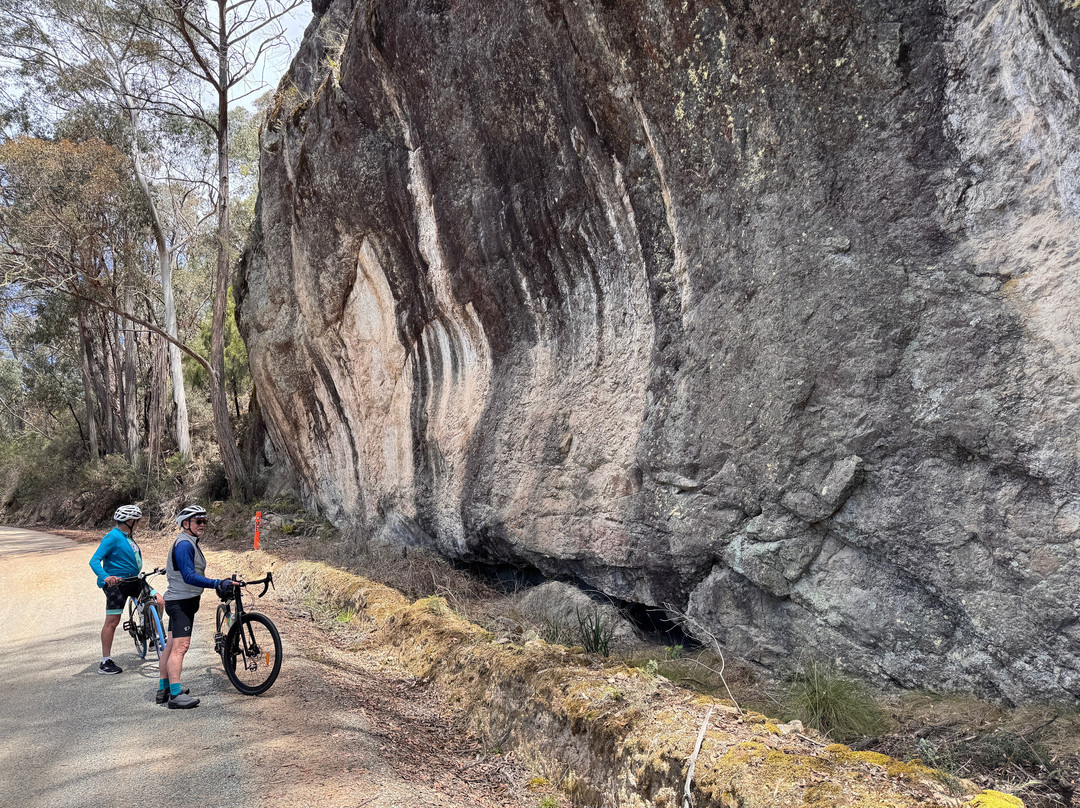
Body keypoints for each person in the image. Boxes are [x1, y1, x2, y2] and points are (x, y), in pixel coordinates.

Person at [158, 504, 233, 709]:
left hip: (182, 601)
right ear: (185, 524)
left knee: (172, 645)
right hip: (181, 602)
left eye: (204, 521)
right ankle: (175, 696)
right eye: (198, 521)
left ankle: (164, 688)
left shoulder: (190, 542)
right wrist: (216, 583)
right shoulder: (184, 544)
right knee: (181, 647)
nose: (202, 525)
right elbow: (189, 576)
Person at [89, 504, 163, 674]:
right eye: (137, 521)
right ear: (130, 521)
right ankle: (105, 662)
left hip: (135, 580)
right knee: (113, 621)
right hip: (117, 584)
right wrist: (106, 577)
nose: (138, 523)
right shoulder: (112, 537)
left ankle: (152, 635)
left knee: (159, 601)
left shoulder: (128, 536)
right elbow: (94, 560)